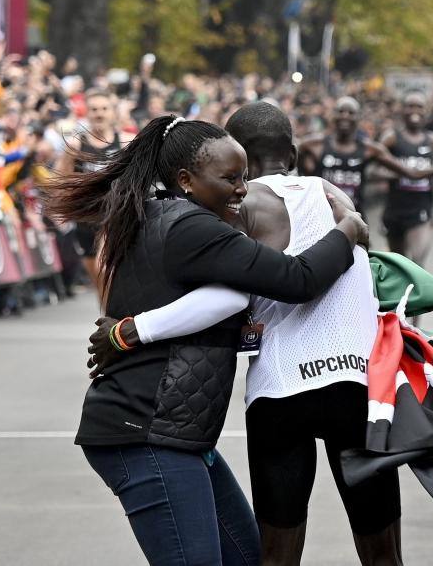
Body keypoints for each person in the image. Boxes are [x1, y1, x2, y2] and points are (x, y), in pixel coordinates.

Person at [87, 102, 403, 566]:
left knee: (268, 558)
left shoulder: (202, 212)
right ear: (292, 155)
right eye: (231, 178)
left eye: (241, 175)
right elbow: (295, 280)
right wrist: (351, 227)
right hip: (353, 385)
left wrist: (129, 330)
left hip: (270, 396)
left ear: (246, 160)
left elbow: (237, 296)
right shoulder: (331, 197)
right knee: (384, 556)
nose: (240, 188)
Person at [298, 96, 433, 217]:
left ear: (359, 117)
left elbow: (411, 173)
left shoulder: (370, 150)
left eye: (351, 112)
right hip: (319, 215)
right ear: (333, 115)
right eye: (341, 111)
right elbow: (292, 164)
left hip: (353, 217)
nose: (345, 116)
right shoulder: (312, 145)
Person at [56, 90, 134, 301]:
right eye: (94, 109)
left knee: (104, 267)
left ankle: (117, 313)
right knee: (98, 280)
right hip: (86, 218)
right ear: (87, 113)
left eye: (104, 109)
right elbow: (62, 179)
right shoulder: (76, 146)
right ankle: (108, 314)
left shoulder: (127, 142)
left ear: (113, 112)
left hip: (114, 216)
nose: (99, 113)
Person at [379, 91, 433, 268]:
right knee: (398, 265)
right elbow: (373, 170)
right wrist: (403, 173)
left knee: (416, 262)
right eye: (410, 106)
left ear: (426, 111)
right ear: (402, 110)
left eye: (419, 106)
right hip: (395, 209)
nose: (414, 110)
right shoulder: (391, 138)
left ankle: (415, 284)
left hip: (421, 209)